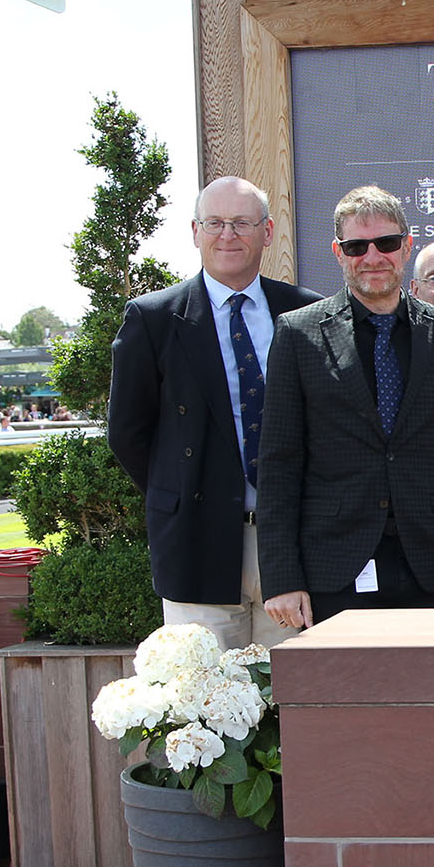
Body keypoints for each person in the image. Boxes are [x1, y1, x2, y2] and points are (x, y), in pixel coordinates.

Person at [258, 184, 434, 626]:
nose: (373, 257)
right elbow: (278, 463)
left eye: (386, 243)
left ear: (406, 247)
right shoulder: (298, 333)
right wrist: (281, 578)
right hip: (335, 568)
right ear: (338, 252)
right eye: (357, 246)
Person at [108, 175, 324, 650]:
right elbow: (127, 433)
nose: (228, 235)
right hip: (197, 543)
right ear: (195, 231)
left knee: (291, 689)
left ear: (267, 232)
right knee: (204, 692)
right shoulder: (153, 319)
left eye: (242, 223)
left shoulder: (307, 312)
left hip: (293, 545)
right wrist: (183, 491)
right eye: (215, 223)